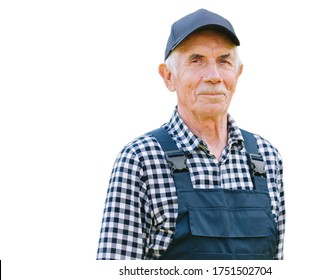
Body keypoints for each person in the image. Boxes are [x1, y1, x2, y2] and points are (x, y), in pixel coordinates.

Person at [97, 8, 285, 260]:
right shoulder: (141, 159)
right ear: (168, 77)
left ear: (237, 74)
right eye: (196, 60)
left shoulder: (266, 158)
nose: (214, 76)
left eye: (224, 61)